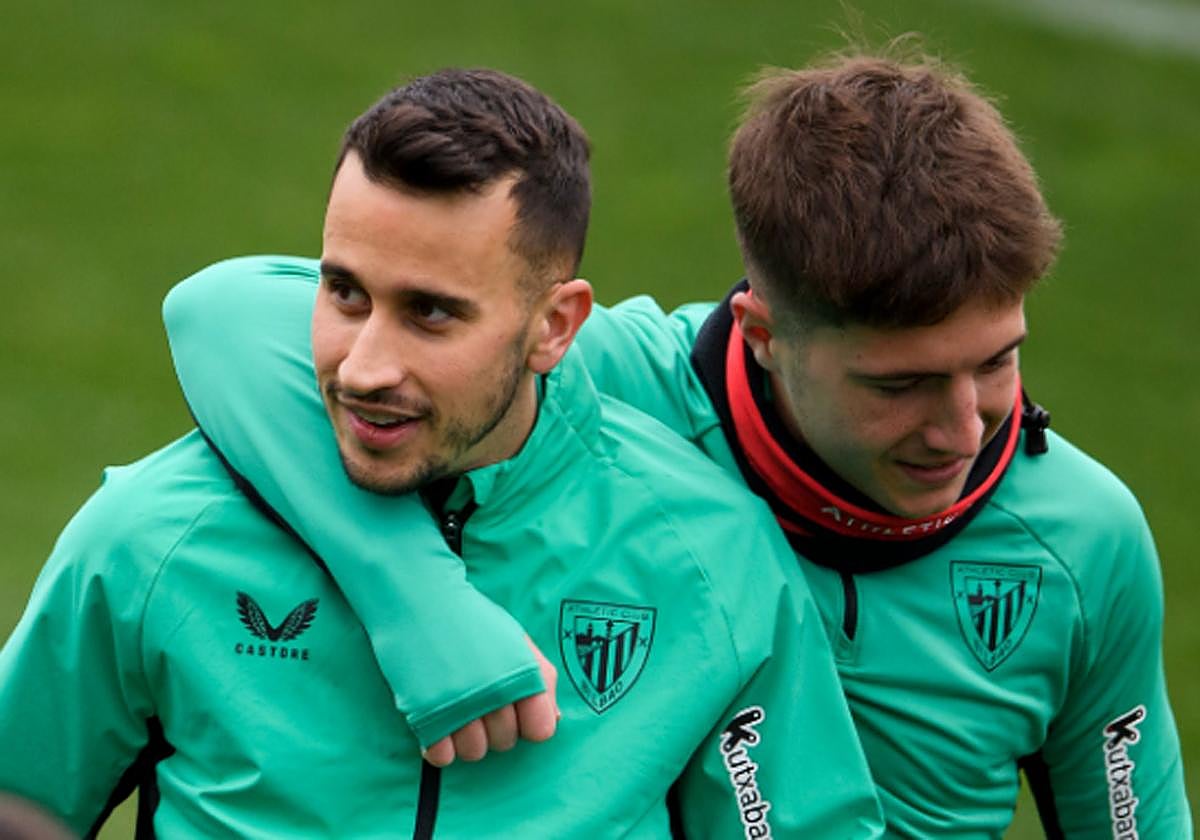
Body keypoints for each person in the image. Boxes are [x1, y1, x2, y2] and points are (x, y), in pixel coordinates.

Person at [156, 50, 1192, 837]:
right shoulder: (609, 389)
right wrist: (413, 600)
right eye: (902, 385)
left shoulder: (1081, 542)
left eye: (998, 362)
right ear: (762, 335)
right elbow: (224, 312)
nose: (965, 428)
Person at [0, 69, 884, 838]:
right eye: (345, 293)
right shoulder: (157, 539)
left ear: (555, 326)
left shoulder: (710, 559)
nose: (365, 368)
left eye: (430, 313)